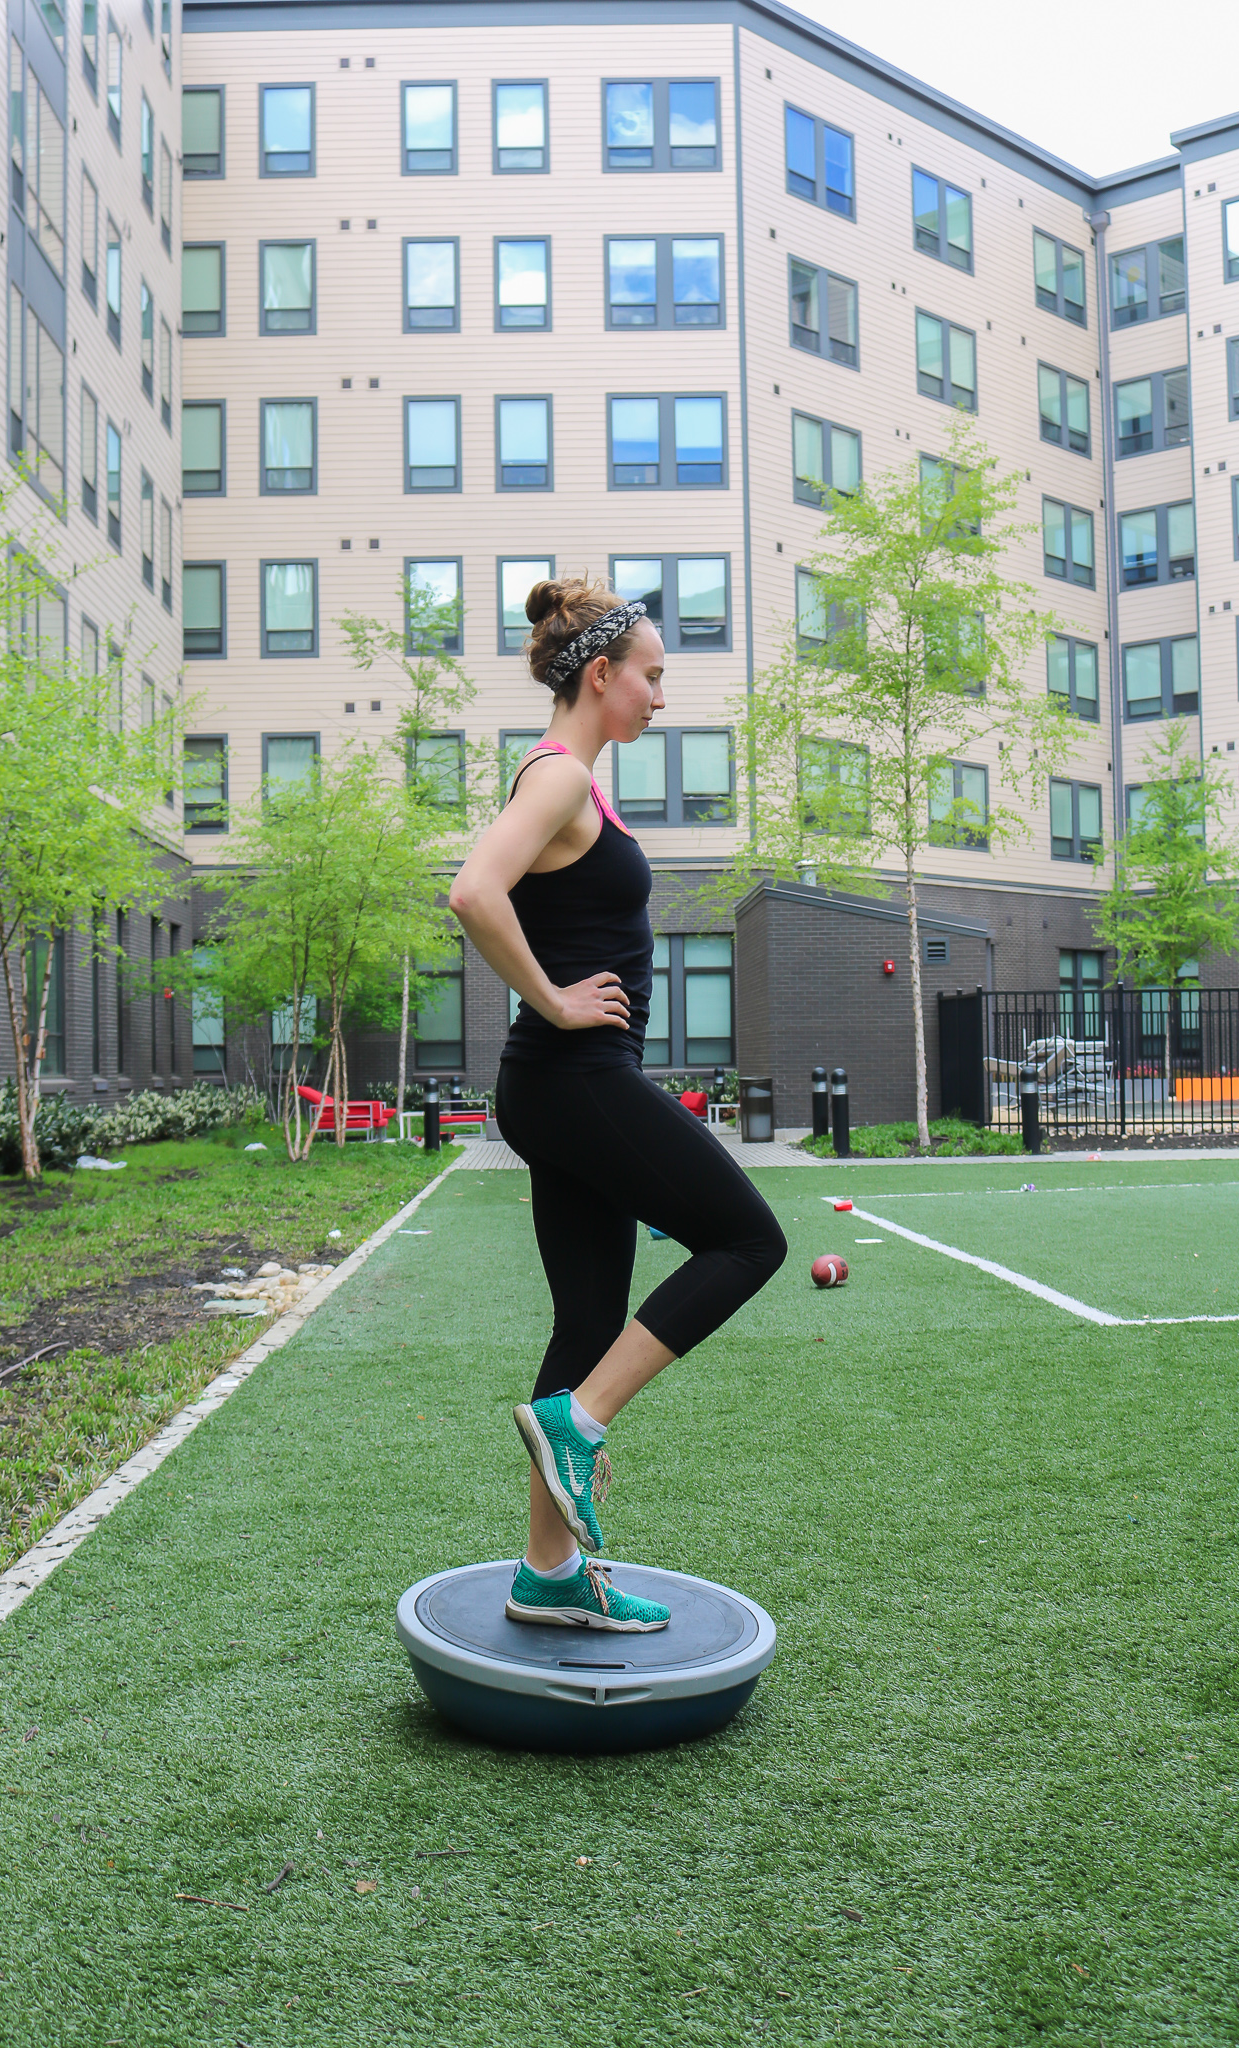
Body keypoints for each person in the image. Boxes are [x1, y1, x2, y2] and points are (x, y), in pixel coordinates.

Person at [448, 577, 787, 1634]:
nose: (660, 697)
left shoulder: (573, 782)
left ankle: (547, 1575)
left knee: (590, 1320)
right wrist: (549, 995)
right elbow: (472, 890)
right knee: (747, 1238)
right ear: (601, 674)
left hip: (565, 1085)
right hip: (573, 1076)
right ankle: (582, 1420)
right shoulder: (555, 779)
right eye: (652, 676)